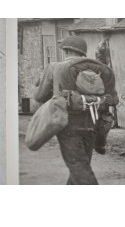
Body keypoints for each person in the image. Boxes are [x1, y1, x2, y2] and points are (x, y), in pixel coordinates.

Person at [33, 36, 117, 185]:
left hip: (67, 124)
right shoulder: (99, 68)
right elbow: (112, 98)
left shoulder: (55, 67)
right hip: (93, 123)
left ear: (65, 50)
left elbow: (40, 96)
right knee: (80, 165)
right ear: (83, 52)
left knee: (79, 167)